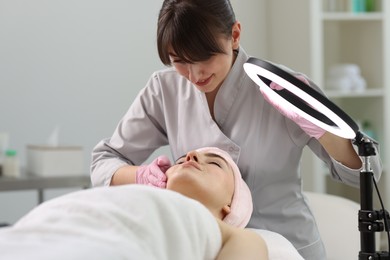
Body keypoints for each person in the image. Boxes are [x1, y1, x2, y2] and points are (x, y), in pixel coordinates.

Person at [90, 0, 383, 259]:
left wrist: (321, 129)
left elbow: (365, 174)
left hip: (287, 248)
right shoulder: (164, 90)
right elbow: (104, 161)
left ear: (235, 35)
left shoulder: (283, 88)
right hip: (210, 248)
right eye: (179, 61)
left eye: (205, 58)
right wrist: (142, 176)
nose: (194, 75)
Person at [0, 148, 275, 260]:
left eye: (213, 163)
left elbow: (249, 249)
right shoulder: (129, 195)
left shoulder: (226, 232)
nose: (190, 155)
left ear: (230, 206)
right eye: (179, 162)